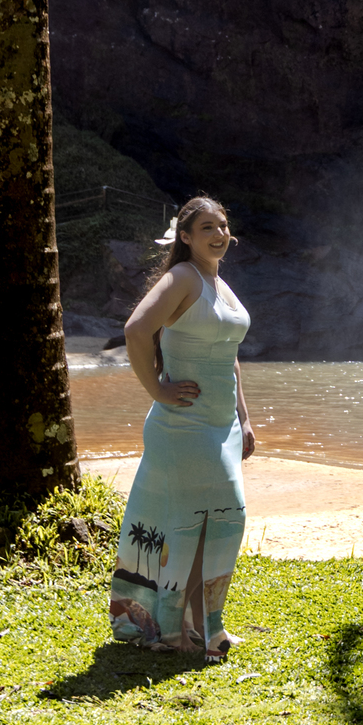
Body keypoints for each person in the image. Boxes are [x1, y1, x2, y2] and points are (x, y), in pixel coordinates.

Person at [109, 195, 255, 659]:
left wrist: (244, 418)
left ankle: (207, 626)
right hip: (185, 427)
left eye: (223, 225)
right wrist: (157, 390)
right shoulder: (183, 278)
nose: (219, 234)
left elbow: (230, 358)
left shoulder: (218, 284)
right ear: (185, 237)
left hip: (221, 426)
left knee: (218, 525)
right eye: (207, 227)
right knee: (202, 525)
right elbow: (136, 330)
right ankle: (179, 630)